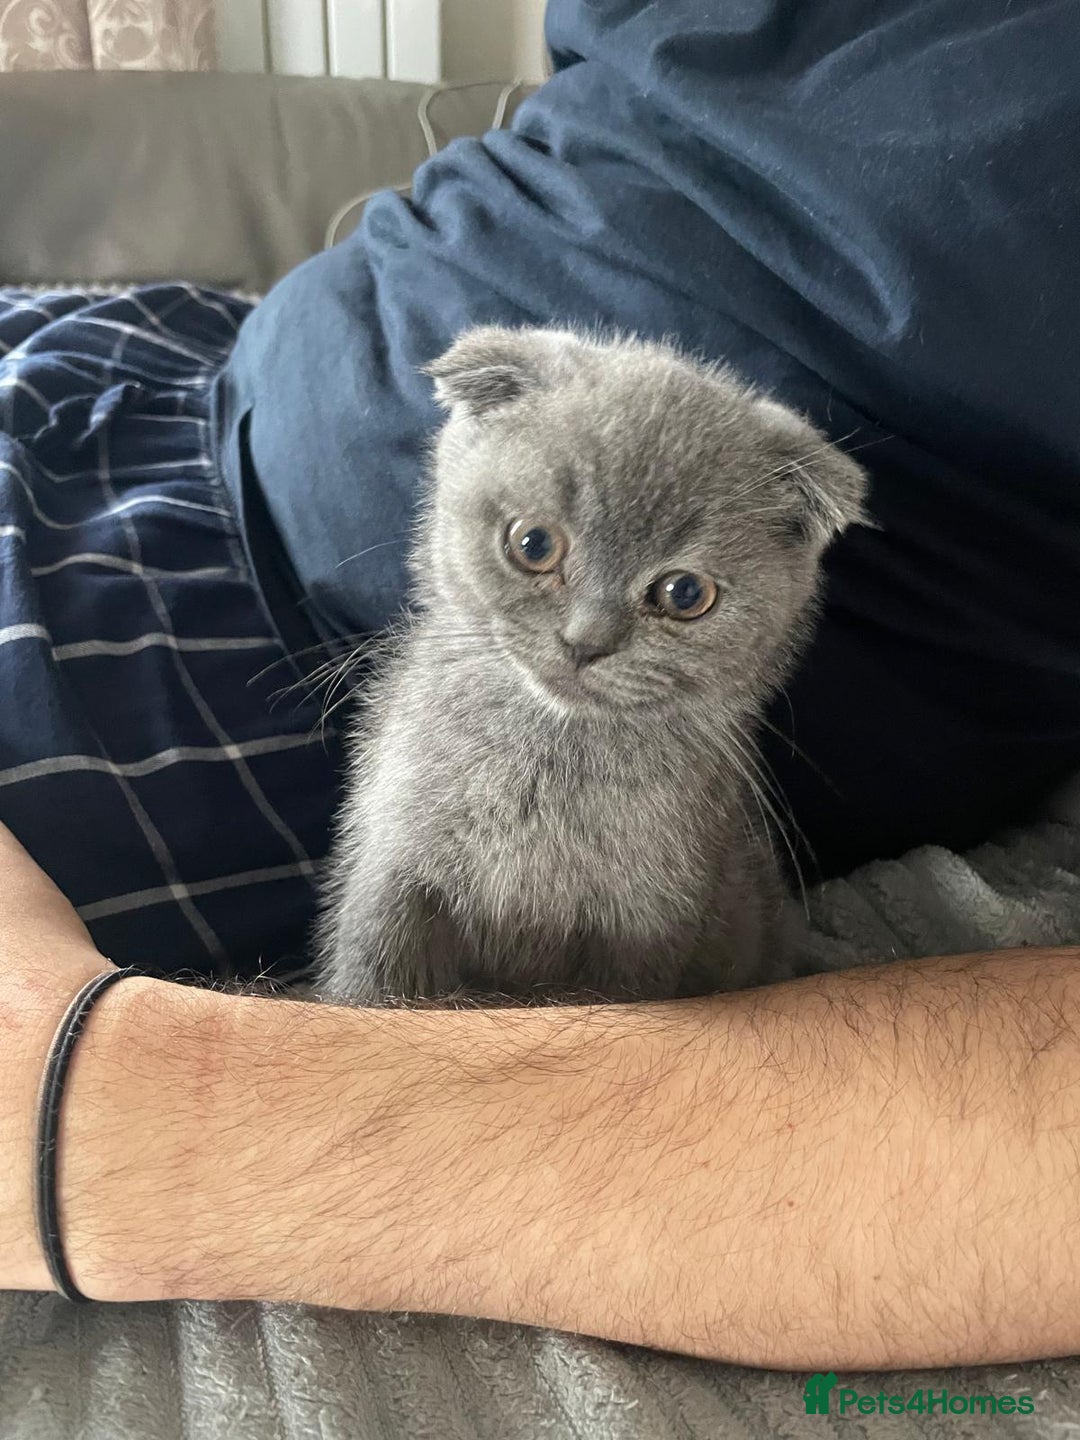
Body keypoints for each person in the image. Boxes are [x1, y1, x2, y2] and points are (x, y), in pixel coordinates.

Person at [1, 0, 1079, 1363]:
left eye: (675, 598)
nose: (581, 637)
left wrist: (127, 1110)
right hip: (164, 352)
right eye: (539, 555)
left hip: (219, 639)